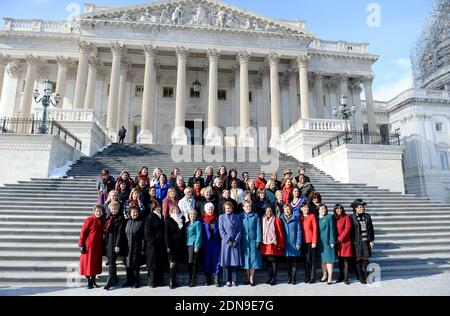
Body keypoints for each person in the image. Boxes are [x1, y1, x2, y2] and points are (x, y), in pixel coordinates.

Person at [79, 205, 106, 289]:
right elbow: (83, 232)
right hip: (88, 247)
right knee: (88, 264)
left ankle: (94, 281)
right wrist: (81, 244)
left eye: (100, 211)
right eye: (97, 211)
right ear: (94, 212)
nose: (98, 213)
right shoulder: (89, 220)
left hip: (98, 247)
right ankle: (89, 282)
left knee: (95, 264)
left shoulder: (103, 220)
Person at [350, 199, 375, 285]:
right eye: (360, 207)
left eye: (362, 207)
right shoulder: (351, 217)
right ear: (355, 208)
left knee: (366, 259)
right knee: (358, 259)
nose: (362, 208)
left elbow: (371, 229)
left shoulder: (367, 216)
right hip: (356, 242)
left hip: (365, 241)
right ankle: (360, 277)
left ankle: (367, 276)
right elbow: (350, 231)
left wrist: (371, 240)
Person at [218, 201, 242, 287]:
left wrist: (236, 240)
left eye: (229, 208)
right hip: (226, 243)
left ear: (232, 208)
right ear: (224, 209)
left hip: (235, 242)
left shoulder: (237, 216)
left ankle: (234, 280)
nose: (228, 209)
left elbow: (239, 230)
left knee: (234, 261)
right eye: (226, 208)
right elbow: (221, 230)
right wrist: (228, 240)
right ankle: (227, 280)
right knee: (226, 261)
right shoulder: (221, 217)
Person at [260, 206, 285, 286]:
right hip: (265, 244)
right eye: (267, 211)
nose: (269, 213)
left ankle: (274, 278)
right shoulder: (262, 219)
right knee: (268, 262)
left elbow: (280, 233)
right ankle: (269, 277)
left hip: (273, 244)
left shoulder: (276, 219)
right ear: (265, 212)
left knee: (274, 262)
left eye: (270, 211)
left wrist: (279, 244)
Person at [122, 206, 145, 288]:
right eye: (133, 212)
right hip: (127, 247)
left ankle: (136, 282)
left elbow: (143, 237)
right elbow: (123, 235)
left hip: (137, 247)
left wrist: (142, 248)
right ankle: (128, 281)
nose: (135, 213)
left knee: (136, 265)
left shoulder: (141, 222)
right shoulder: (126, 222)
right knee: (127, 265)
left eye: (136, 212)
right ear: (130, 214)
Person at [240, 200, 262, 287]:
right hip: (244, 241)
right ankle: (247, 276)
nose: (248, 208)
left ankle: (252, 277)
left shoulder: (255, 216)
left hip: (253, 241)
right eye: (246, 206)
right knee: (246, 260)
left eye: (249, 206)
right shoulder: (240, 216)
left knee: (253, 259)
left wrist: (258, 240)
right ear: (243, 207)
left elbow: (258, 229)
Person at [104, 202, 124, 290]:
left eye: (115, 209)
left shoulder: (120, 218)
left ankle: (110, 280)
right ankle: (114, 278)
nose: (113, 210)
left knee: (112, 262)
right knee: (111, 262)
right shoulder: (108, 218)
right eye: (112, 209)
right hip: (109, 242)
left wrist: (117, 245)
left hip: (116, 243)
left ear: (118, 209)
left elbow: (120, 233)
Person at [144, 204, 166, 288]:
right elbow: (147, 232)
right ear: (153, 208)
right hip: (152, 245)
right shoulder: (150, 217)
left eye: (159, 207)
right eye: (156, 207)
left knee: (160, 262)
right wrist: (154, 241)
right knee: (152, 264)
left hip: (161, 244)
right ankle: (152, 282)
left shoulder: (162, 216)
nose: (158, 208)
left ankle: (160, 280)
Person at [280, 204, 302, 285]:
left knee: (294, 262)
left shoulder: (295, 219)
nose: (287, 211)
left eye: (288, 209)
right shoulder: (280, 219)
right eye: (285, 209)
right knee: (287, 263)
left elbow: (299, 232)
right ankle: (289, 276)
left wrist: (298, 243)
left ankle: (293, 278)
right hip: (285, 244)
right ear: (283, 210)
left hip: (294, 244)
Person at [165, 205, 186, 289]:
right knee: (172, 263)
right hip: (172, 244)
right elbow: (166, 234)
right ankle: (171, 281)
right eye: (173, 209)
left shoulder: (182, 218)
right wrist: (168, 246)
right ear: (171, 211)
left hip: (180, 245)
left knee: (176, 262)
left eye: (176, 209)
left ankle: (175, 280)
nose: (175, 210)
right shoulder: (168, 220)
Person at [201, 203, 221, 287]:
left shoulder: (217, 218)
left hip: (215, 242)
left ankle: (216, 279)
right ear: (205, 210)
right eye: (209, 209)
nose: (210, 210)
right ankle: (208, 279)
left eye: (211, 209)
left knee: (216, 261)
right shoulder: (202, 220)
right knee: (207, 260)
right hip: (206, 243)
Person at [318, 204, 337, 285]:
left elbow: (332, 230)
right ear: (318, 210)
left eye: (324, 209)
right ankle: (324, 274)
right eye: (321, 209)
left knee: (329, 260)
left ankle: (330, 277)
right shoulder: (317, 219)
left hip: (327, 242)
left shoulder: (329, 217)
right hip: (319, 243)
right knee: (322, 260)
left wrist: (332, 241)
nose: (323, 210)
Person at [334, 204, 353, 285]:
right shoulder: (334, 218)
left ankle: (346, 278)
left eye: (340, 209)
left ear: (343, 209)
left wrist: (340, 238)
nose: (339, 210)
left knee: (346, 260)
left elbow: (347, 229)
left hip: (345, 242)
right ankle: (340, 276)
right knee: (340, 261)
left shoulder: (347, 217)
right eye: (337, 209)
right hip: (337, 243)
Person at [300, 202, 318, 284]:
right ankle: (307, 276)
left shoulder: (312, 216)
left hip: (311, 242)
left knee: (312, 260)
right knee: (306, 261)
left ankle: (312, 277)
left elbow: (315, 230)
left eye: (307, 208)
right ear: (301, 209)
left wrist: (314, 241)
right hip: (303, 242)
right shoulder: (300, 218)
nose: (306, 209)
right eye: (304, 208)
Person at [185, 209, 202, 287]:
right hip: (187, 245)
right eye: (191, 214)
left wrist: (197, 246)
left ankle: (193, 280)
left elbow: (199, 235)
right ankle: (190, 279)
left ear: (196, 215)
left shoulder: (198, 223)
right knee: (189, 263)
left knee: (194, 263)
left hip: (194, 244)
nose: (192, 216)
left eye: (193, 214)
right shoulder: (187, 224)